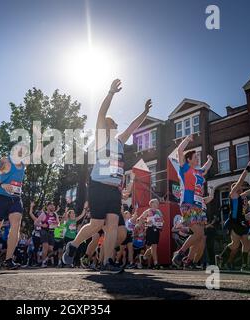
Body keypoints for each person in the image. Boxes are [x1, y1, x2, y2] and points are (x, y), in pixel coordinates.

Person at [62, 79, 152, 274]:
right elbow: (101, 113)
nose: (117, 124)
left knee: (112, 224)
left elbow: (134, 126)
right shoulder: (101, 138)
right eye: (113, 122)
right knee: (96, 224)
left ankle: (107, 262)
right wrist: (111, 92)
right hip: (98, 186)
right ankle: (73, 245)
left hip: (114, 189)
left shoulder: (120, 141)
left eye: (116, 123)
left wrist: (145, 112)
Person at [171, 135, 213, 268]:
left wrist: (210, 160)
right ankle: (179, 254)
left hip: (199, 207)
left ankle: (188, 261)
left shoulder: (199, 172)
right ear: (189, 160)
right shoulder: (185, 169)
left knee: (200, 237)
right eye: (195, 157)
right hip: (188, 204)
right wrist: (187, 140)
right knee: (199, 233)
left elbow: (206, 168)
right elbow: (179, 151)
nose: (197, 159)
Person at [215, 162, 250, 271]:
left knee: (246, 244)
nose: (240, 187)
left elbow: (244, 196)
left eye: (240, 187)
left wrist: (247, 216)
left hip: (242, 222)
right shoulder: (233, 195)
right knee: (235, 244)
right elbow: (240, 181)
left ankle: (244, 266)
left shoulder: (241, 198)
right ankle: (220, 257)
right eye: (238, 186)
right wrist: (247, 168)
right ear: (234, 189)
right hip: (234, 222)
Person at [138, 199, 164, 269]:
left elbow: (161, 220)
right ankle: (155, 263)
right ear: (151, 204)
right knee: (153, 247)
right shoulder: (147, 211)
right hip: (150, 230)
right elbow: (140, 219)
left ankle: (144, 257)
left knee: (153, 247)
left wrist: (161, 224)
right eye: (156, 203)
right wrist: (146, 223)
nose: (157, 205)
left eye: (158, 203)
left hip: (157, 230)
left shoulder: (159, 211)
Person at [37, 202, 60, 268]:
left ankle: (42, 255)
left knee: (51, 250)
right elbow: (36, 222)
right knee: (45, 247)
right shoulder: (43, 214)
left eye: (53, 205)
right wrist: (42, 225)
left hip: (52, 232)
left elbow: (58, 223)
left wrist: (57, 226)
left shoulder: (55, 214)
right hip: (44, 231)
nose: (52, 207)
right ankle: (43, 263)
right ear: (47, 207)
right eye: (50, 205)